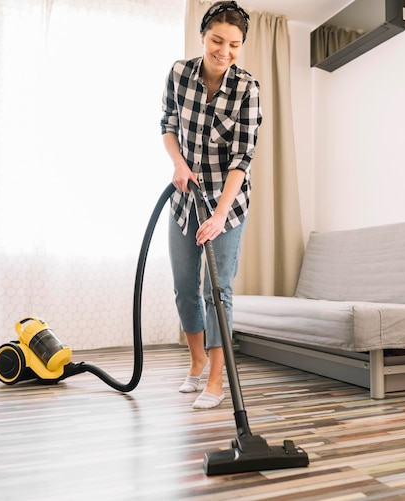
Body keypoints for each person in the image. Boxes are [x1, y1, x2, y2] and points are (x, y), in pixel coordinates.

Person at [160, 1, 262, 409]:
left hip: (228, 204)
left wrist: (220, 214)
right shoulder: (179, 74)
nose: (224, 51)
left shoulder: (247, 89)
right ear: (202, 36)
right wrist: (179, 164)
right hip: (185, 199)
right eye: (217, 40)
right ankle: (196, 361)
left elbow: (242, 158)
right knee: (184, 288)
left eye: (234, 44)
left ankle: (216, 382)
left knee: (216, 290)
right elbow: (167, 125)